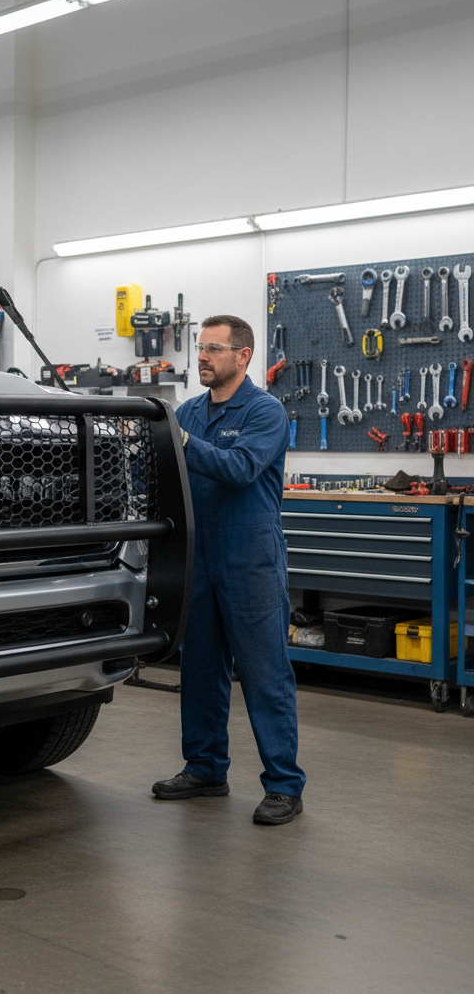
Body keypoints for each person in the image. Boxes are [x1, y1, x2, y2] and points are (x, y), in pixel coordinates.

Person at [152, 314, 305, 825]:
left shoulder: (266, 412)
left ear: (243, 356)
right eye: (200, 348)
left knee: (263, 671)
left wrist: (184, 442)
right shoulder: (191, 412)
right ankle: (205, 768)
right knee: (199, 669)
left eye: (214, 349)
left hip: (250, 555)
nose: (202, 357)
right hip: (199, 554)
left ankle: (284, 784)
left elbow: (240, 469)